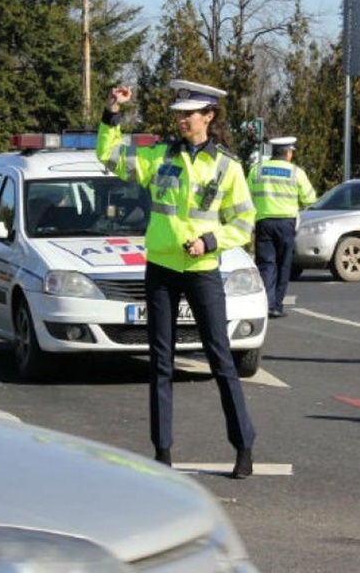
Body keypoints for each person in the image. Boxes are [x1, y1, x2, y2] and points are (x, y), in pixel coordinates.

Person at [96, 79, 258, 479]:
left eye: (190, 114)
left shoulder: (227, 165)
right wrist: (112, 112)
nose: (182, 120)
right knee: (160, 363)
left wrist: (210, 240)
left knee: (221, 360)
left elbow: (244, 222)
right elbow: (110, 157)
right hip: (163, 269)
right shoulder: (161, 156)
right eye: (179, 114)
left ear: (209, 117)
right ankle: (162, 451)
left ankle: (243, 447)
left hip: (203, 272)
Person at [248, 136, 316, 318]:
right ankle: (277, 306)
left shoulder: (256, 171)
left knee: (266, 264)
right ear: (287, 153)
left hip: (263, 222)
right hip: (286, 223)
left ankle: (265, 304)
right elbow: (310, 198)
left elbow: (247, 197)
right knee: (283, 264)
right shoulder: (296, 172)